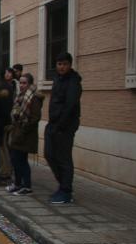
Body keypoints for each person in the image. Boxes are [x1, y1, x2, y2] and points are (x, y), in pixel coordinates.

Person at [45, 52, 82, 204]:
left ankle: (66, 191)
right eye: (59, 64)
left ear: (70, 65)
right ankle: (63, 185)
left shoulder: (73, 82)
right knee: (49, 154)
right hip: (53, 124)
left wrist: (60, 126)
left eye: (64, 64)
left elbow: (70, 106)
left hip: (65, 126)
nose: (61, 67)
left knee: (63, 158)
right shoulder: (57, 79)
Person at [7, 74, 44, 195]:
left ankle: (27, 186)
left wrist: (22, 131)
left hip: (26, 134)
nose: (22, 85)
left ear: (30, 84)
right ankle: (17, 184)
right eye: (21, 83)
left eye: (24, 83)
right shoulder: (20, 96)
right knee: (15, 160)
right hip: (17, 132)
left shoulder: (34, 97)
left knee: (21, 161)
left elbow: (35, 118)